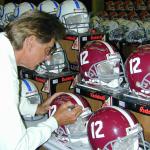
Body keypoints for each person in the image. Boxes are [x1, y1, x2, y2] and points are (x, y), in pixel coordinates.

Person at [0, 10, 83, 150]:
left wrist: (36, 109)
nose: (48, 58)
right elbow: (16, 146)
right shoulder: (4, 73)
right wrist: (54, 122)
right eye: (48, 49)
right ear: (30, 42)